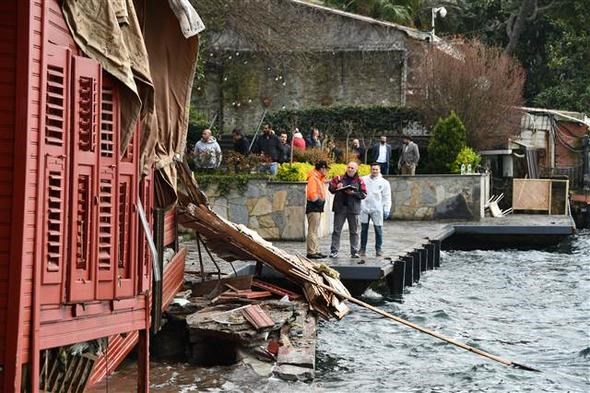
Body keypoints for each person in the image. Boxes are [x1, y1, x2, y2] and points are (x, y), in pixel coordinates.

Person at [328, 161, 367, 258]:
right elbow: (331, 189)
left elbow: (364, 194)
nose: (350, 169)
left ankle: (354, 251)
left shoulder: (360, 181)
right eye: (349, 167)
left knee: (354, 231)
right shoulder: (338, 178)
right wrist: (336, 186)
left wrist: (353, 193)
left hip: (353, 209)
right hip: (340, 208)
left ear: (356, 169)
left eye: (352, 168)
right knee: (337, 230)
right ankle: (334, 251)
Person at [360, 163, 392, 257]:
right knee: (364, 229)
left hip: (377, 208)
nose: (374, 171)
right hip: (364, 207)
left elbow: (387, 197)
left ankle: (379, 249)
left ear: (379, 170)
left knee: (378, 229)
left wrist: (386, 208)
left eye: (376, 169)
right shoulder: (364, 179)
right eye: (373, 169)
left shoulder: (384, 182)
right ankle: (362, 249)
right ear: (371, 169)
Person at [306, 160, 329, 259]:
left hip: (317, 206)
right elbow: (311, 193)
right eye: (326, 169)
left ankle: (315, 250)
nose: (327, 171)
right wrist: (319, 201)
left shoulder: (318, 178)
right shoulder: (314, 178)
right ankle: (311, 251)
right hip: (314, 206)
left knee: (315, 230)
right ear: (322, 168)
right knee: (312, 230)